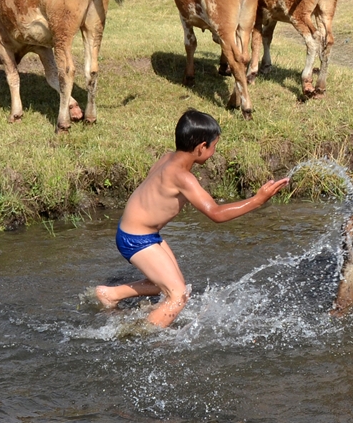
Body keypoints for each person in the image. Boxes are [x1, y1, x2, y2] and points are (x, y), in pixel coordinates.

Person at [94, 108, 289, 328]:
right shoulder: (183, 177)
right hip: (136, 238)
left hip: (139, 232)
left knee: (172, 285)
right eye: (214, 146)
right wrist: (257, 200)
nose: (215, 151)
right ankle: (141, 340)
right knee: (178, 296)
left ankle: (110, 294)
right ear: (201, 147)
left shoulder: (168, 158)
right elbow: (216, 213)